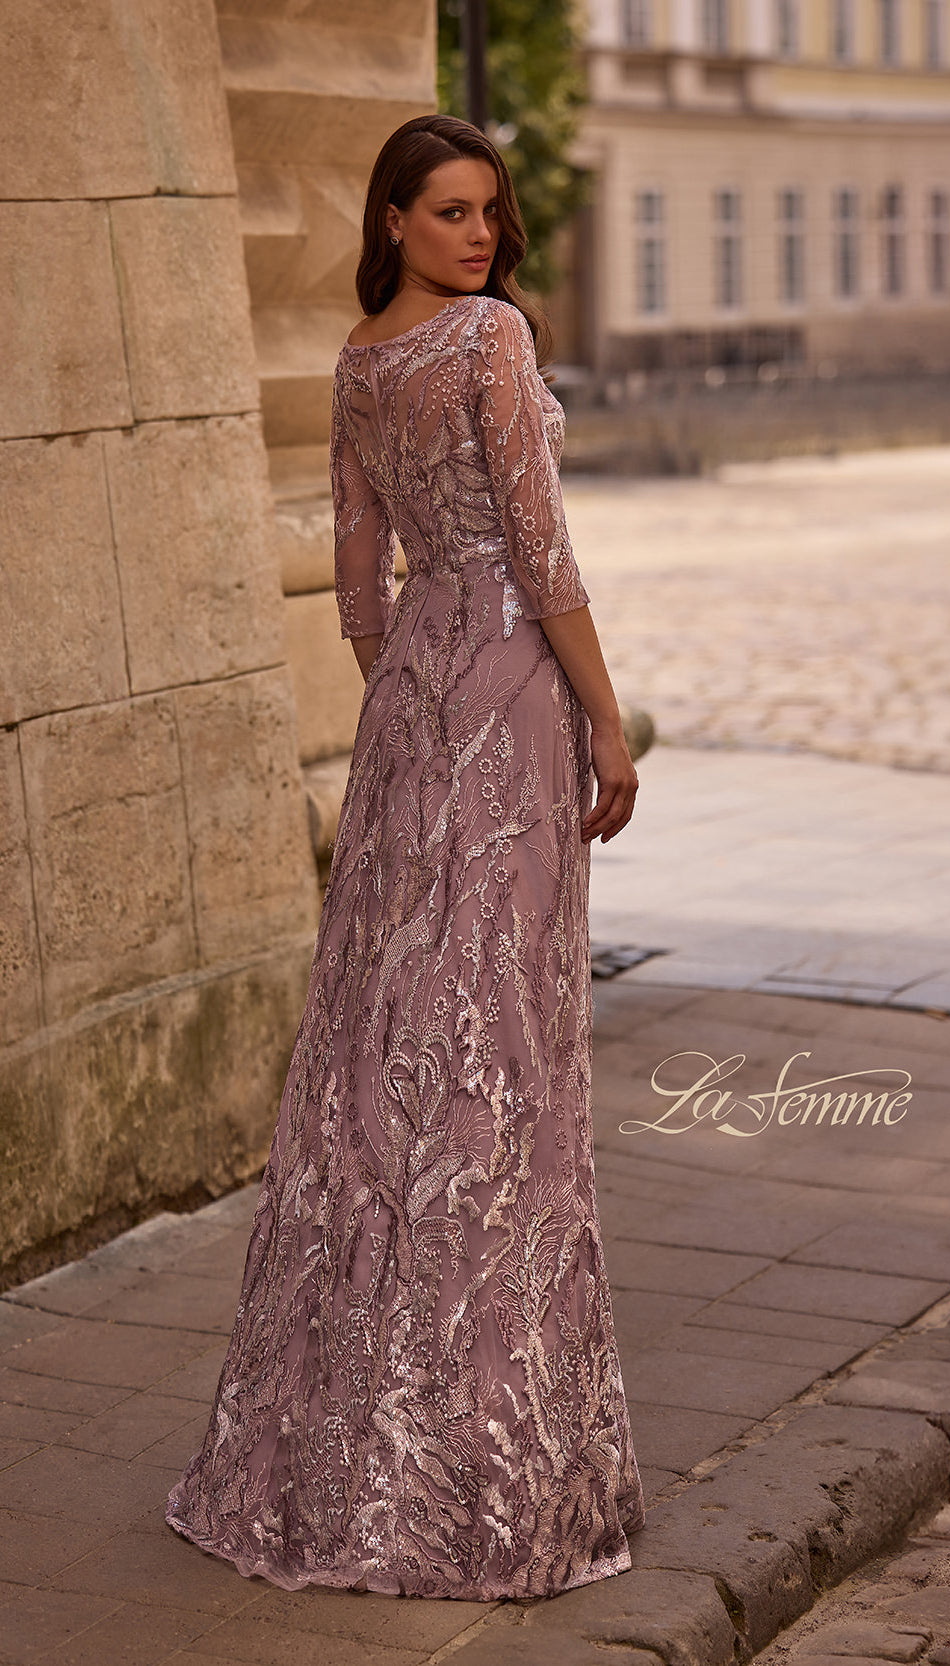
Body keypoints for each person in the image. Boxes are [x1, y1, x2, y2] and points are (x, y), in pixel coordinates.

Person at [165, 111, 644, 1602]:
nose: (480, 235)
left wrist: (408, 711)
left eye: (489, 211)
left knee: (388, 1051)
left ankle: (345, 1439)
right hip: (509, 690)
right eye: (448, 211)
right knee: (500, 1048)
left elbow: (359, 581)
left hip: (418, 715)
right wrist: (607, 724)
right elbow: (542, 544)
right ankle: (479, 1461)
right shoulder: (486, 344)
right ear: (387, 221)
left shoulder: (362, 365)